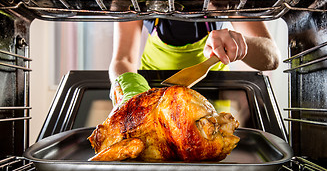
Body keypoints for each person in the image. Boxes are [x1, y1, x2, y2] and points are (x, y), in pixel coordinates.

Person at [108, 18, 280, 107]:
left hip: (214, 98)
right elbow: (123, 59)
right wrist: (129, 89)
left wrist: (241, 43)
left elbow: (271, 58)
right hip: (153, 92)